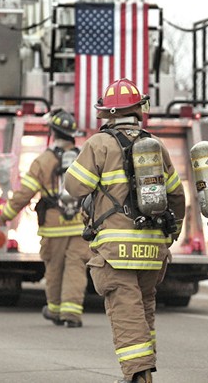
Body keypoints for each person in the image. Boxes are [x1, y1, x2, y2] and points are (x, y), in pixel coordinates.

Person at [64, 78, 185, 383]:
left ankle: (137, 374)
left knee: (126, 312)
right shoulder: (155, 146)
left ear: (108, 114)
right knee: (143, 310)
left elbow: (74, 186)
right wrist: (172, 234)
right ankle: (144, 372)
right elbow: (176, 195)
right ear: (138, 111)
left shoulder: (99, 144)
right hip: (153, 249)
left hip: (116, 249)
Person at [0, 109, 91, 328]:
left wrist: (6, 215)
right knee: (76, 267)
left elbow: (25, 194)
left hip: (53, 227)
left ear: (53, 132)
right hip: (80, 224)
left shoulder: (43, 161)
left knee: (54, 268)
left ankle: (55, 310)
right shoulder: (84, 159)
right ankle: (72, 313)